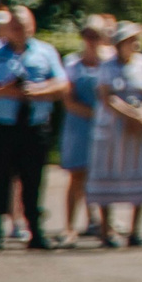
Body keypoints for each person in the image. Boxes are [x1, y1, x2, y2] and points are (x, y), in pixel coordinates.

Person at [0, 5, 67, 250]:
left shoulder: (46, 52)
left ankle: (35, 230)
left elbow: (62, 85)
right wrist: (6, 90)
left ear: (32, 27)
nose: (19, 30)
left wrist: (36, 90)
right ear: (6, 28)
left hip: (34, 127)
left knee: (33, 181)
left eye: (23, 26)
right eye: (14, 26)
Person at [88, 23, 142, 247]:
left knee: (141, 175)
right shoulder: (107, 66)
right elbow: (107, 97)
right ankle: (105, 230)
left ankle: (135, 230)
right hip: (113, 130)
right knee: (106, 176)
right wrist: (132, 115)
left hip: (138, 131)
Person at [57, 19, 109, 243]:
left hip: (104, 127)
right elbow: (68, 100)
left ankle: (103, 226)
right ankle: (69, 227)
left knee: (103, 177)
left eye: (96, 35)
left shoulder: (109, 63)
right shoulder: (71, 63)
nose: (91, 40)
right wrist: (96, 114)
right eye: (87, 34)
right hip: (79, 126)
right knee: (77, 176)